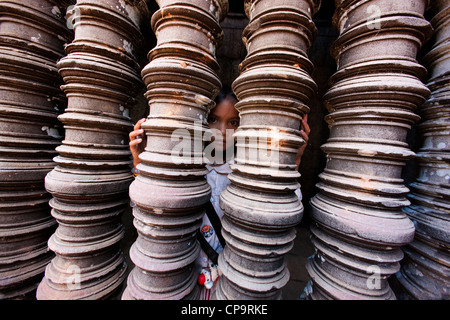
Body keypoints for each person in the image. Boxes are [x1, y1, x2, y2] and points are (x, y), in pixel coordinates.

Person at [128, 86, 310, 299]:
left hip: (231, 282)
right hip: (183, 276)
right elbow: (150, 212)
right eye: (213, 120)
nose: (223, 131)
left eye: (233, 122)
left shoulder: (247, 172)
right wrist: (143, 163)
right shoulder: (185, 166)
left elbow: (281, 214)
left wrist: (293, 161)